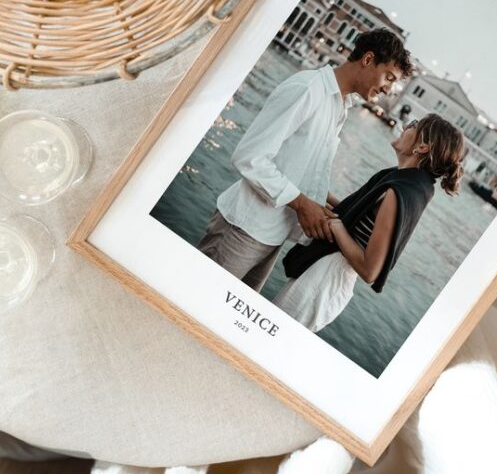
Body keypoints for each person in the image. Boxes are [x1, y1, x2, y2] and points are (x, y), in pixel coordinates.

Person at [198, 28, 413, 291]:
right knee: (198, 298)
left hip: (275, 234)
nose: (389, 89)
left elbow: (300, 167)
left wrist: (333, 206)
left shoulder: (339, 107)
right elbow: (250, 157)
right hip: (243, 228)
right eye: (389, 78)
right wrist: (302, 205)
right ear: (368, 59)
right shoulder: (307, 89)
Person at [274, 114, 466, 333]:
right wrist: (320, 193)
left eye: (413, 125)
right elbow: (361, 217)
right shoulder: (412, 184)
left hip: (324, 280)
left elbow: (369, 270)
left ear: (422, 147)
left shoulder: (399, 192)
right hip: (327, 276)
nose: (405, 125)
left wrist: (337, 227)